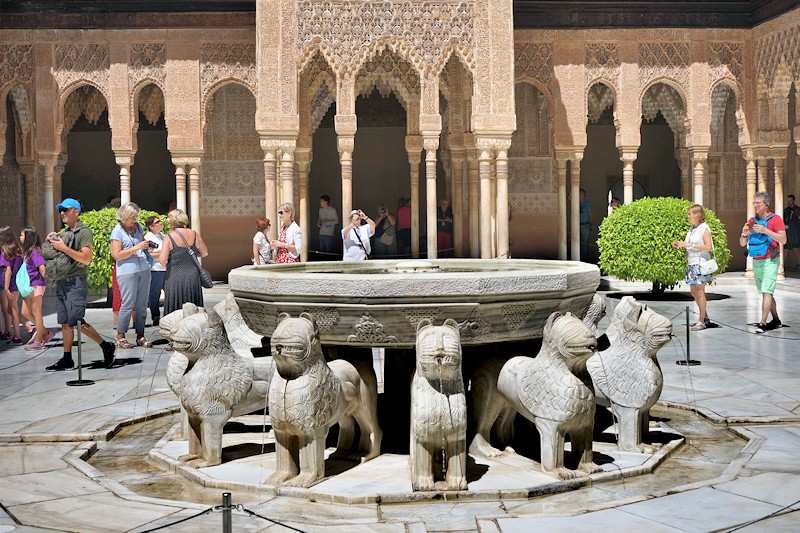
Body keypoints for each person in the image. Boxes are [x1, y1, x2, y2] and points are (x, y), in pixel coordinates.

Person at [45, 198, 116, 370]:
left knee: (77, 321)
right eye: (60, 210)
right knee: (64, 322)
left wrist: (63, 248)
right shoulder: (64, 233)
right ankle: (67, 358)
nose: (62, 213)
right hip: (62, 281)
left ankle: (106, 346)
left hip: (75, 281)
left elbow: (86, 259)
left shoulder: (84, 232)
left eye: (66, 209)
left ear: (76, 212)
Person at [739, 191, 787, 333]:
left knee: (766, 291)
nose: (755, 206)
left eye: (758, 203)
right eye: (754, 203)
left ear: (766, 204)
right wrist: (744, 234)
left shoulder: (776, 219)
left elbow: (783, 239)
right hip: (757, 260)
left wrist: (765, 230)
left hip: (771, 259)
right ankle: (776, 320)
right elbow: (742, 243)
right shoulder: (752, 220)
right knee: (766, 292)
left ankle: (762, 323)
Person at [110, 202, 153, 349]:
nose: (134, 219)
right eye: (132, 217)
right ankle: (120, 336)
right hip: (127, 271)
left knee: (142, 304)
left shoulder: (138, 227)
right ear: (124, 216)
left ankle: (140, 335)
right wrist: (136, 247)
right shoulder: (117, 231)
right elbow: (117, 255)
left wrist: (146, 245)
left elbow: (141, 244)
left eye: (135, 216)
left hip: (143, 268)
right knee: (127, 304)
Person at [671, 205, 713, 331]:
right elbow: (689, 244)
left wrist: (690, 245)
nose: (688, 216)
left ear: (697, 215)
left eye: (690, 214)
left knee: (700, 292)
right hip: (691, 263)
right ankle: (705, 316)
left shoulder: (704, 228)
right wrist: (681, 245)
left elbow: (708, 247)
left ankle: (701, 321)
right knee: (694, 292)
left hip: (700, 263)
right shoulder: (692, 229)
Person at [160, 208, 209, 317]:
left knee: (175, 308)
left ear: (172, 221)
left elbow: (163, 260)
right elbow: (204, 253)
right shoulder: (194, 234)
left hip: (175, 277)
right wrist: (190, 255)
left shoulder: (169, 237)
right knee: (193, 308)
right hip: (193, 277)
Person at [20, 227, 54, 350]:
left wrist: (46, 276)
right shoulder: (28, 252)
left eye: (22, 235)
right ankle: (45, 332)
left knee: (36, 312)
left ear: (28, 237)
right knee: (24, 312)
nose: (20, 238)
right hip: (29, 285)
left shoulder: (34, 251)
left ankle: (39, 341)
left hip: (36, 284)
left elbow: (41, 266)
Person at [0, 226, 29, 344]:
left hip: (10, 284)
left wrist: (6, 288)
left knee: (12, 310)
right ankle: (18, 334)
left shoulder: (5, 251)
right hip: (17, 282)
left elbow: (8, 270)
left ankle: (18, 335)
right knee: (12, 309)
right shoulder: (19, 250)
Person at [144, 215, 167, 327]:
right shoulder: (148, 237)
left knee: (169, 292)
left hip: (166, 268)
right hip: (155, 269)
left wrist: (162, 254)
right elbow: (149, 254)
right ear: (151, 226)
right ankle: (155, 315)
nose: (160, 223)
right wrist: (164, 254)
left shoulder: (163, 236)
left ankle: (168, 315)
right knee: (154, 294)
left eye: (160, 221)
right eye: (157, 222)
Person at [784, 194, 800, 271]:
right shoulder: (786, 210)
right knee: (786, 246)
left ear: (793, 201)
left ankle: (799, 264)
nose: (789, 202)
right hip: (787, 231)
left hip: (794, 231)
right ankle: (782, 265)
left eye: (790, 201)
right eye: (788, 201)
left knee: (795, 246)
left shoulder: (797, 210)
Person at [579, 188, 592, 261]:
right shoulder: (576, 202)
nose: (579, 194)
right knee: (577, 243)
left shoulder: (587, 203)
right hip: (577, 225)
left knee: (584, 243)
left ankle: (584, 259)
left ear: (584, 195)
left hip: (585, 225)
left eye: (580, 193)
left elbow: (590, 214)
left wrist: (591, 223)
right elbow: (569, 197)